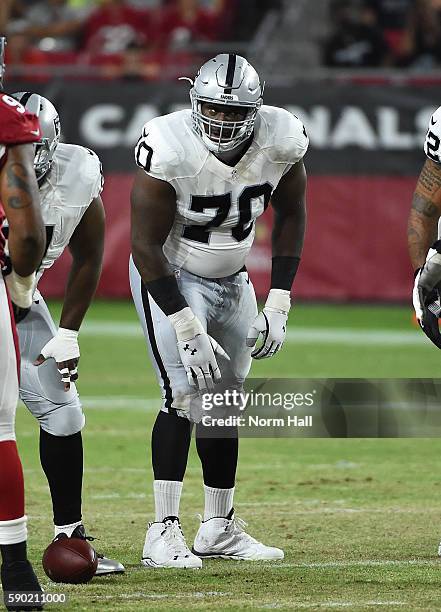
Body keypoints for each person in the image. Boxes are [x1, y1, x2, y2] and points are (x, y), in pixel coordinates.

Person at [130, 53, 308, 568]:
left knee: (224, 400)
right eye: (214, 109)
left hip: (234, 275)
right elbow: (143, 245)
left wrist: (280, 297)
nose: (224, 121)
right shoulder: (168, 143)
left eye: (236, 112)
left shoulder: (283, 135)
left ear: (257, 108)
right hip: (171, 273)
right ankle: (161, 530)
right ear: (194, 102)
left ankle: (218, 526)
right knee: (184, 395)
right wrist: (185, 323)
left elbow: (293, 211)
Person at [8, 91, 124, 577]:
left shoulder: (77, 171)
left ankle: (68, 534)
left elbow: (91, 254)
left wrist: (70, 332)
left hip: (19, 302)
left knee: (64, 411)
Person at [0, 38, 46, 608]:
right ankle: (14, 569)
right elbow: (28, 229)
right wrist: (22, 279)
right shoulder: (8, 117)